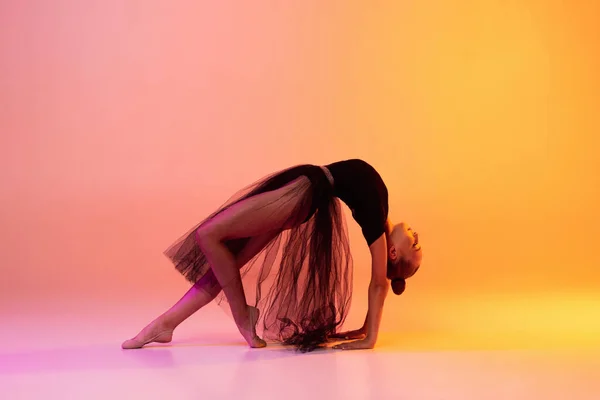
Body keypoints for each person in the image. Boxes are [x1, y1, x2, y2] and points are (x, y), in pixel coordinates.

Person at [121, 159, 422, 352]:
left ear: (394, 252)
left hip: (302, 194)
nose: (417, 237)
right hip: (303, 189)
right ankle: (165, 325)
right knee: (228, 263)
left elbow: (379, 282)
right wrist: (366, 327)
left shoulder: (376, 222)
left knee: (209, 234)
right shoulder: (381, 215)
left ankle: (243, 317)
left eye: (416, 245)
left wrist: (370, 338)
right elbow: (383, 279)